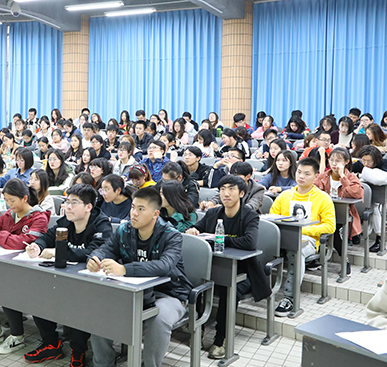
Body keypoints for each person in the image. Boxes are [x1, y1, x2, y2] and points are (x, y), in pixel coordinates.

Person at [87, 187, 192, 367]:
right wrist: (94, 258)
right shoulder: (125, 230)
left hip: (169, 294)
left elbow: (164, 266)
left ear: (155, 214)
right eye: (133, 207)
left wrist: (124, 269)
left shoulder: (171, 235)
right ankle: (103, 363)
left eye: (141, 209)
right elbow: (105, 249)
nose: (134, 213)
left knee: (158, 319)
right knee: (100, 309)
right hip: (133, 292)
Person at [24, 184, 112, 366]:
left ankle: (78, 350)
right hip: (65, 277)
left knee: (77, 301)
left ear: (88, 207)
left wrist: (59, 252)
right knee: (38, 291)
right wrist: (37, 246)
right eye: (66, 202)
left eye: (74, 202)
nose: (68, 207)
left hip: (91, 282)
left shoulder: (101, 224)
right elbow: (47, 236)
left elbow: (94, 252)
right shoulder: (66, 221)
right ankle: (50, 343)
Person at [186, 175, 271, 359]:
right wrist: (193, 231)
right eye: (223, 189)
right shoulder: (213, 214)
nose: (226, 193)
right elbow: (197, 228)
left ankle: (221, 339)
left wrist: (219, 239)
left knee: (228, 289)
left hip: (244, 272)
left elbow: (249, 242)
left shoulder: (250, 216)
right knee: (198, 284)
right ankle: (198, 330)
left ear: (241, 193)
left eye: (231, 189)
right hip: (216, 268)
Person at [0, 179, 49, 355]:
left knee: (7, 289)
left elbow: (24, 242)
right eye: (6, 200)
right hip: (4, 264)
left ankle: (17, 336)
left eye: (12, 200)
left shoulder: (39, 217)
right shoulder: (9, 215)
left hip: (28, 271)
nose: (9, 204)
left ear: (25, 198)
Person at [270, 157, 336, 316]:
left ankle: (289, 298)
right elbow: (272, 217)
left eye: (307, 174)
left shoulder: (323, 198)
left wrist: (303, 230)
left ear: (315, 176)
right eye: (299, 172)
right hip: (283, 237)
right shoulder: (285, 195)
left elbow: (330, 226)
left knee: (297, 251)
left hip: (308, 240)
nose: (301, 176)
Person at [314, 147, 363, 256]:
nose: (334, 163)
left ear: (346, 162)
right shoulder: (323, 177)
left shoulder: (351, 177)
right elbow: (312, 189)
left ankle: (344, 259)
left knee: (335, 230)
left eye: (338, 160)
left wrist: (342, 177)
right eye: (331, 160)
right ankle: (316, 256)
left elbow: (357, 193)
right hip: (323, 213)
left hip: (343, 214)